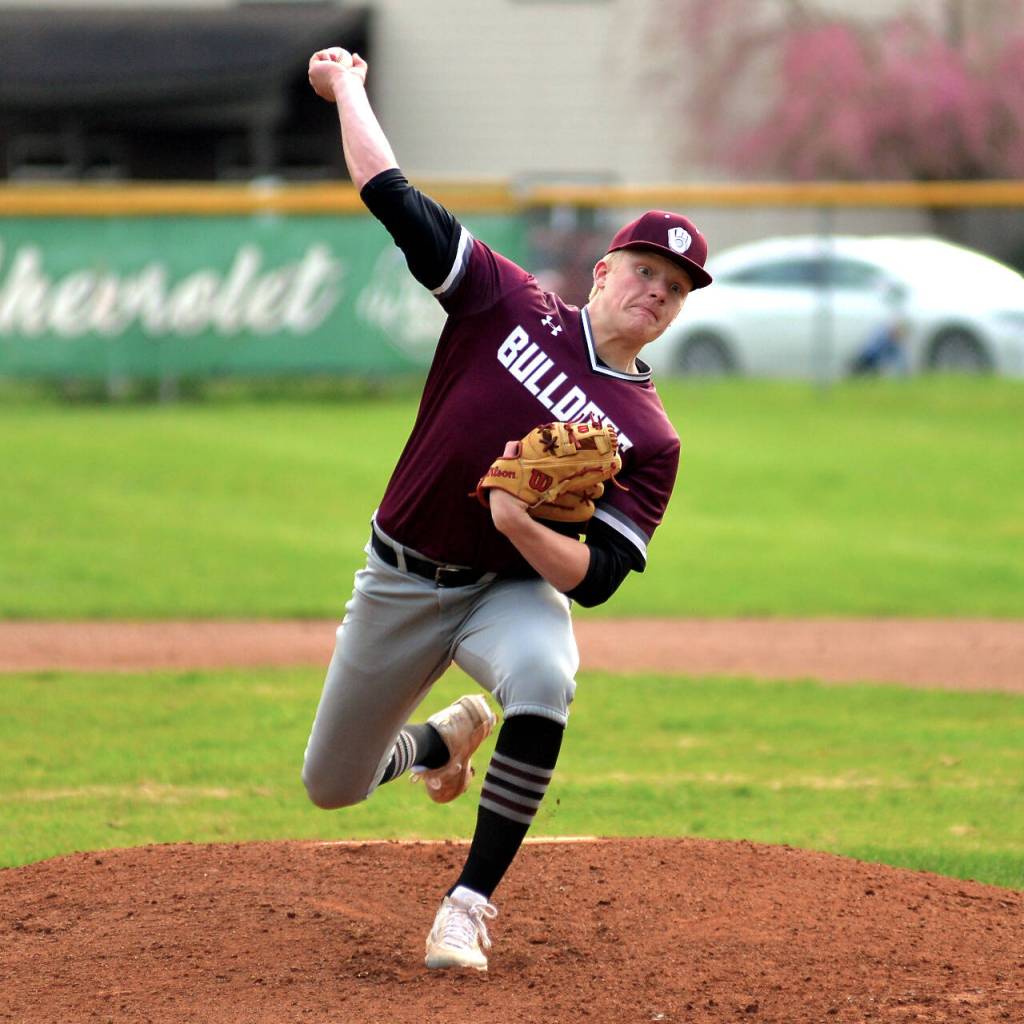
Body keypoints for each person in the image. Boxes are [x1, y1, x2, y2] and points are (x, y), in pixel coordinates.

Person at [301, 46, 713, 972]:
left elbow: (600, 577)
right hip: (400, 575)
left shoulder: (651, 436)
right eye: (647, 270)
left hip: (509, 588)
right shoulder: (506, 300)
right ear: (604, 272)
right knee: (334, 784)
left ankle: (468, 904)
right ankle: (441, 739)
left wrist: (522, 526)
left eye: (677, 288)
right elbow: (390, 194)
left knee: (546, 679)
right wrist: (352, 88)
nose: (658, 291)